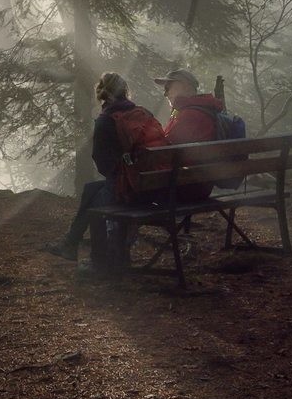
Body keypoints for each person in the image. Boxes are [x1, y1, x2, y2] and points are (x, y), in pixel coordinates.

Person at [46, 72, 166, 266]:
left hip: (132, 192)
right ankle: (70, 244)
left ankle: (98, 261)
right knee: (90, 190)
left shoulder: (106, 120)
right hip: (154, 188)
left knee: (94, 203)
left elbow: (103, 165)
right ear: (125, 92)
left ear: (102, 94)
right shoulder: (143, 113)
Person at [156, 68, 224, 205]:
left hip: (185, 188)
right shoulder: (199, 110)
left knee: (125, 189)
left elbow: (165, 150)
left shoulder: (190, 115)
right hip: (198, 184)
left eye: (168, 87)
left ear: (184, 86)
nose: (165, 93)